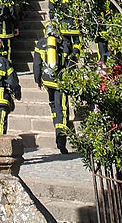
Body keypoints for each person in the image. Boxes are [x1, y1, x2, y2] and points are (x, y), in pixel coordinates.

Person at [34, 20, 72, 154]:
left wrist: (37, 80)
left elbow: (37, 64)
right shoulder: (65, 43)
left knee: (54, 107)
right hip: (60, 82)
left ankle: (57, 126)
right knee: (62, 109)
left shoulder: (40, 44)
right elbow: (70, 62)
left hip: (47, 81)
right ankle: (61, 140)